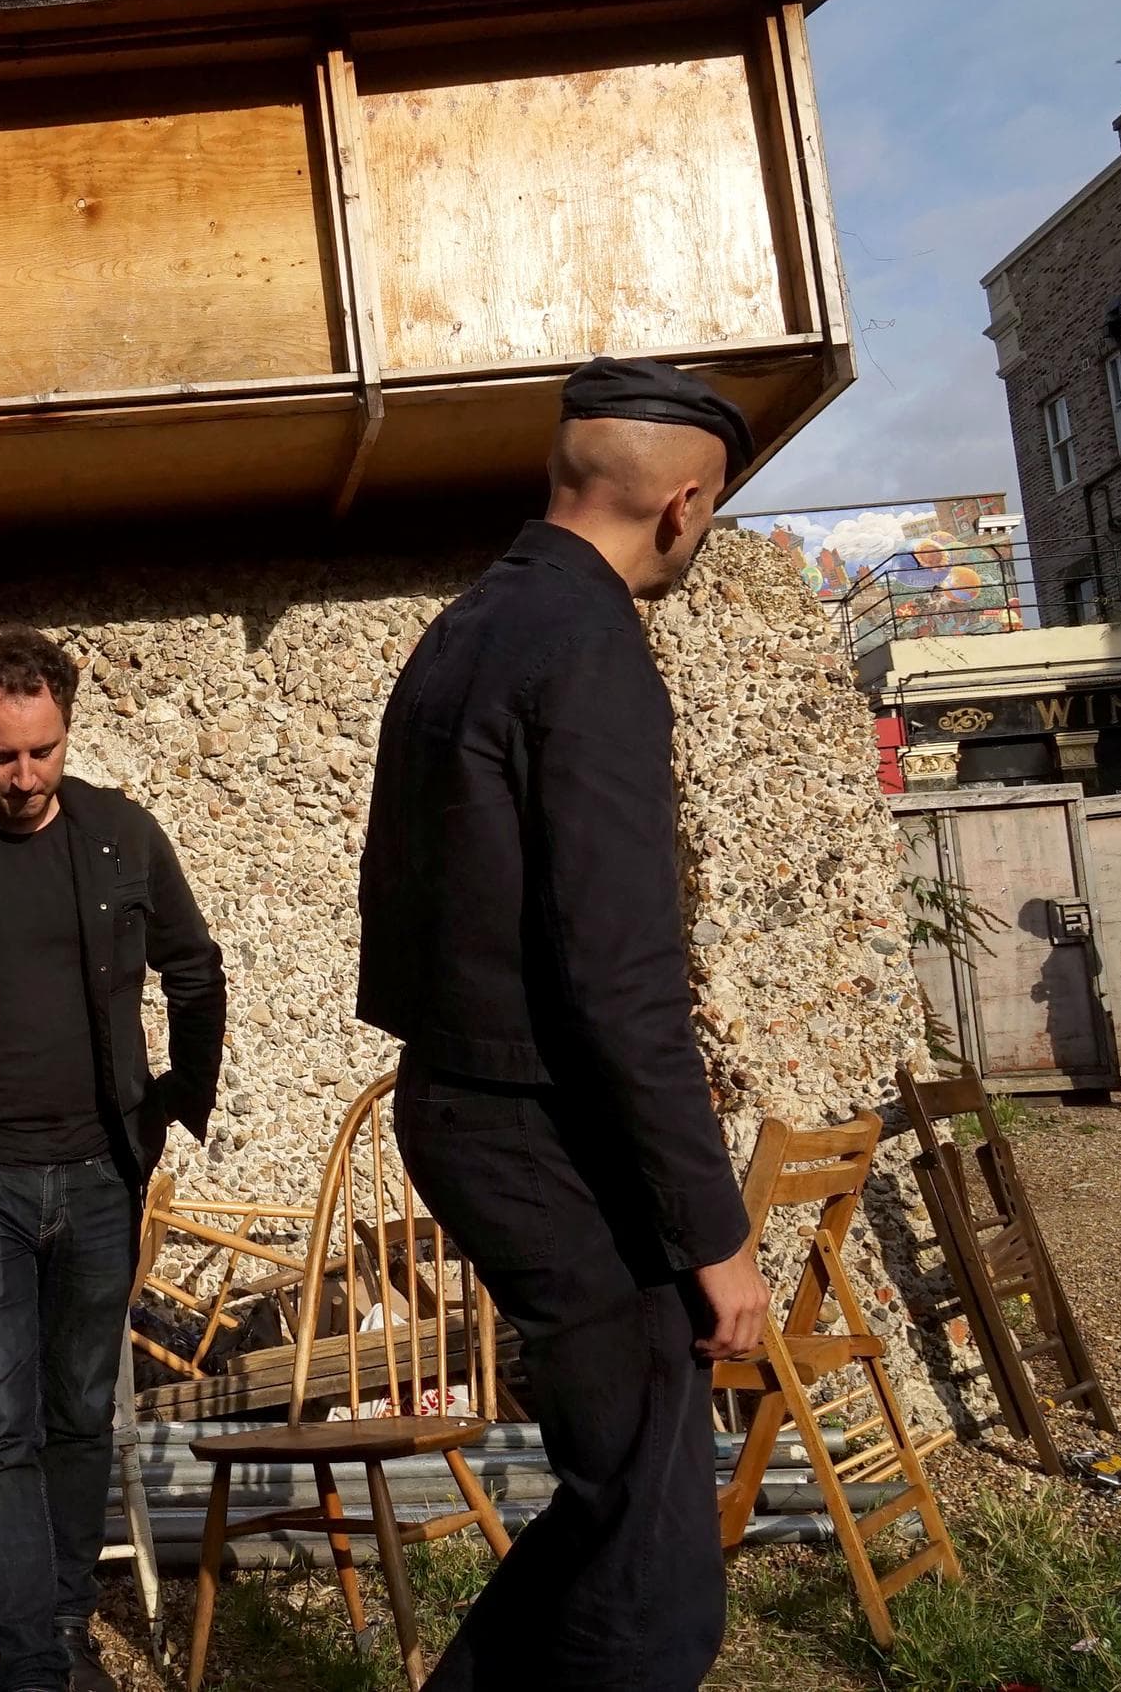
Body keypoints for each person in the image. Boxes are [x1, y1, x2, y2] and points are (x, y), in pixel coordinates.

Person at [356, 358, 771, 1691]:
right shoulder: (590, 647)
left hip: (473, 1104)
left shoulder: (467, 627)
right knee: (653, 1572)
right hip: (539, 1129)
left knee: (620, 1498)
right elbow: (621, 979)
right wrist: (715, 1237)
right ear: (683, 502)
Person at [0, 627, 226, 1692]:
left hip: (101, 1176)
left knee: (76, 1414)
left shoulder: (120, 836)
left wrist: (170, 1108)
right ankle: (26, 1663)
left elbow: (196, 971)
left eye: (44, 751)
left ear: (66, 728)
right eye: (1, 756)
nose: (25, 777)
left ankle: (61, 1628)